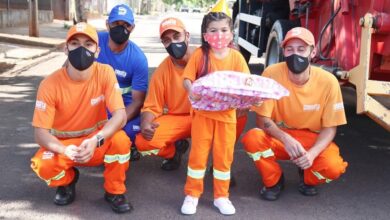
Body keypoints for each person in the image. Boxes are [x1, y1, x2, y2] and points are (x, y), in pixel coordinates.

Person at [30, 23, 133, 213]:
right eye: (75, 43)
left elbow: (120, 115)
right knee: (42, 165)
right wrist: (63, 149)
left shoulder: (105, 73)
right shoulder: (49, 84)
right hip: (63, 146)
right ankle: (67, 181)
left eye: (88, 44)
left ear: (97, 51)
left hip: (95, 142)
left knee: (121, 141)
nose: (82, 49)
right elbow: (40, 133)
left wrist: (97, 139)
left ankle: (114, 191)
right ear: (65, 48)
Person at [241, 27, 348, 201]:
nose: (295, 54)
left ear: (312, 52)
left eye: (301, 49)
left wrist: (312, 154)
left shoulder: (329, 82)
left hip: (311, 139)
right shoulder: (271, 73)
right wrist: (285, 138)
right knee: (252, 139)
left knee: (333, 166)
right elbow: (262, 120)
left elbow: (330, 128)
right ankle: (274, 180)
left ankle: (308, 177)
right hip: (280, 135)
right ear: (283, 52)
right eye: (289, 49)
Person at [181, 10, 250, 215]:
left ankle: (222, 197)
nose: (219, 35)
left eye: (223, 30)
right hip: (202, 116)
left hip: (227, 118)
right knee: (198, 157)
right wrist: (190, 89)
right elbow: (187, 79)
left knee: (223, 158)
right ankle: (192, 195)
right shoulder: (200, 55)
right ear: (205, 35)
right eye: (213, 30)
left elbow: (247, 82)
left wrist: (249, 96)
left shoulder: (237, 58)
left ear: (231, 33)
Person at [134, 17, 193, 171]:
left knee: (233, 119)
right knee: (143, 142)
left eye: (177, 36)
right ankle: (174, 152)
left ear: (187, 36)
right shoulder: (162, 71)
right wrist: (145, 123)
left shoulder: (204, 59)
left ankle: (220, 164)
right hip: (178, 119)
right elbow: (151, 106)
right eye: (167, 40)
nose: (173, 43)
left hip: (205, 117)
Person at [96, 4, 149, 161]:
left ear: (132, 28)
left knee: (134, 133)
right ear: (107, 24)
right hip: (95, 104)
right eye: (116, 24)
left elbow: (138, 102)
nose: (121, 29)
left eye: (126, 25)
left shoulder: (138, 58)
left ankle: (124, 145)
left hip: (123, 107)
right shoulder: (94, 41)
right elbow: (68, 71)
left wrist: (115, 122)